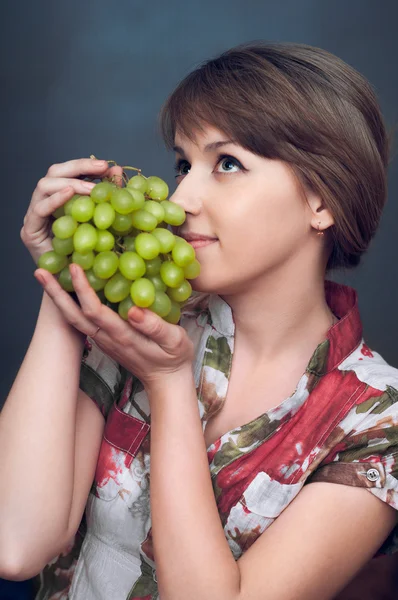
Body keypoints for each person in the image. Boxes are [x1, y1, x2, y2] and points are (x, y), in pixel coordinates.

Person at [0, 41, 397, 600]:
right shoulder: (142, 320)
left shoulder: (376, 423)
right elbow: (15, 544)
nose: (180, 197)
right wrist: (64, 282)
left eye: (227, 163)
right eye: (184, 164)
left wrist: (168, 385)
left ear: (322, 201)